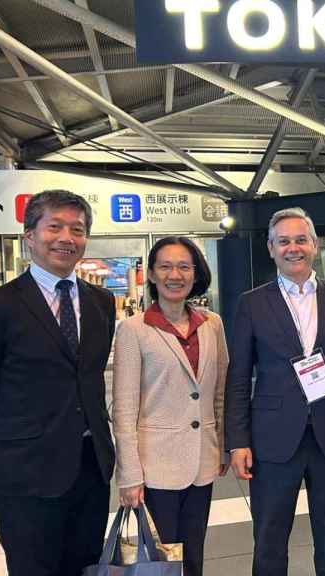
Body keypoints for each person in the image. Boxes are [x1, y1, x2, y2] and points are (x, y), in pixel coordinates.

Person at [0, 190, 116, 576]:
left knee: (85, 567)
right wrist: (10, 441)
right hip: (24, 473)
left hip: (90, 469)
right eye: (54, 226)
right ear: (30, 235)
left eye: (77, 229)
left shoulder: (101, 302)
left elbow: (87, 378)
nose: (66, 238)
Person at [225, 207, 325, 576]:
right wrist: (237, 440)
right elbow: (239, 377)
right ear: (271, 248)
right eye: (284, 241)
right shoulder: (251, 303)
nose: (294, 248)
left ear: (315, 244)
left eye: (301, 240)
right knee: (270, 538)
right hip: (272, 438)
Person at [112, 236, 228, 576]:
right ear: (151, 274)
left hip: (201, 461)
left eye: (183, 266)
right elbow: (124, 407)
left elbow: (219, 392)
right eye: (165, 266)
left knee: (193, 555)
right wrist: (129, 474)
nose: (174, 274)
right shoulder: (134, 330)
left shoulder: (212, 325)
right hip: (155, 466)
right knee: (161, 559)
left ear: (195, 274)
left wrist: (221, 448)